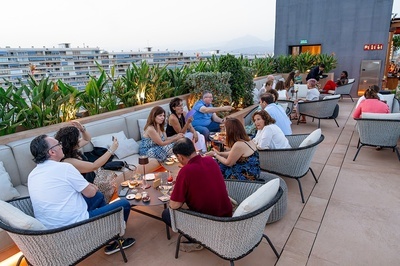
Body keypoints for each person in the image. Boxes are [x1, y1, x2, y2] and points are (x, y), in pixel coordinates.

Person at [28, 135, 135, 255]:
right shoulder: (65, 168)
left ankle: (106, 229)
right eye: (58, 144)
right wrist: (91, 187)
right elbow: (90, 193)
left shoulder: (32, 175)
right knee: (124, 203)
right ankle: (114, 238)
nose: (61, 146)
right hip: (74, 227)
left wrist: (90, 188)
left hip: (51, 231)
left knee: (99, 196)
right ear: (52, 152)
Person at [161, 138, 232, 251]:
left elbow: (174, 205)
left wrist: (178, 188)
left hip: (209, 222)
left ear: (180, 157)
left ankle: (197, 239)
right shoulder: (210, 160)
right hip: (227, 214)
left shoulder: (186, 171)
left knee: (166, 214)